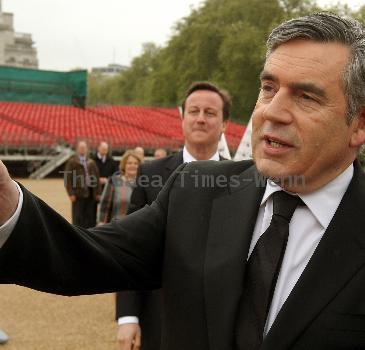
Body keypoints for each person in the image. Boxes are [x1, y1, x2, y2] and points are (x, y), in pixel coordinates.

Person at [1, 12, 365, 350]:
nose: (271, 111)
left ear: (358, 125)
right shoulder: (193, 190)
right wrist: (7, 206)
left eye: (306, 97)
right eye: (269, 88)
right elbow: (84, 257)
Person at [116, 81, 230, 350]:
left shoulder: (247, 180)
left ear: (224, 123)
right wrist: (128, 315)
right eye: (194, 111)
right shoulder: (149, 174)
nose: (201, 119)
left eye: (210, 113)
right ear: (182, 118)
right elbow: (133, 248)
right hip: (160, 317)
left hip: (222, 321)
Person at [63, 140, 101, 228]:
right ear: (77, 149)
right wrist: (71, 193)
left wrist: (98, 192)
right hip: (78, 194)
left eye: (84, 148)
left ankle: (90, 233)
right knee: (78, 217)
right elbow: (67, 179)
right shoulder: (72, 162)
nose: (83, 149)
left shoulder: (92, 162)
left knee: (90, 216)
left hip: (91, 193)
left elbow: (97, 177)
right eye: (81, 148)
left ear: (87, 149)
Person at [97, 150, 141, 224]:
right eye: (129, 163)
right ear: (124, 165)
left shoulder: (143, 183)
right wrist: (101, 222)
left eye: (136, 163)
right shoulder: (114, 181)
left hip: (137, 227)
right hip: (116, 226)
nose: (133, 165)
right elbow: (105, 205)